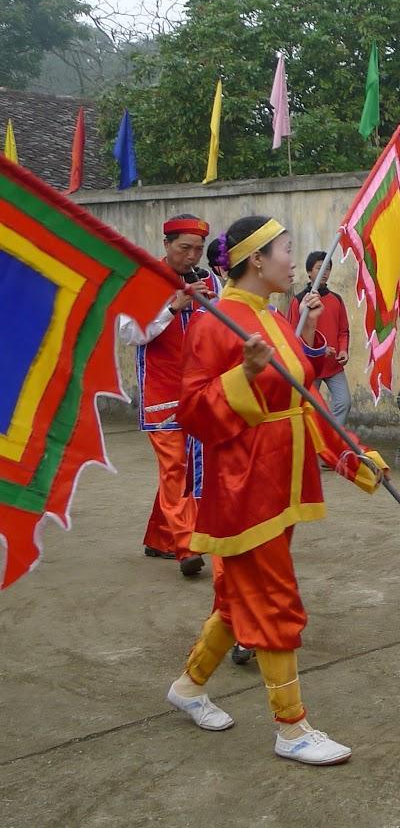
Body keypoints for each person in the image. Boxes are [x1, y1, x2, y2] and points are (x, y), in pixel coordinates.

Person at [165, 215, 389, 766]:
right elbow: (192, 413)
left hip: (281, 480)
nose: (294, 260)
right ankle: (291, 728)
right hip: (245, 487)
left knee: (237, 597)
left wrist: (348, 455)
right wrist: (240, 376)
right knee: (274, 599)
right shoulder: (216, 323)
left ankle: (189, 687)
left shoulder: (275, 320)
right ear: (256, 261)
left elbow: (304, 400)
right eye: (286, 250)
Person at [118, 213, 218, 578]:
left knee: (189, 472)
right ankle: (186, 547)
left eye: (198, 249)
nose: (192, 257)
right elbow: (130, 334)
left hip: (200, 392)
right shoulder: (144, 280)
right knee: (174, 468)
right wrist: (173, 307)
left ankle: (160, 537)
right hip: (162, 394)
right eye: (184, 248)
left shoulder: (209, 282)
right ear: (166, 245)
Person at [289, 251, 352, 431]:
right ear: (309, 272)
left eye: (328, 268)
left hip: (333, 366)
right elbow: (292, 334)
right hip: (310, 367)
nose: (324, 272)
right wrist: (317, 350)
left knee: (344, 403)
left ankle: (331, 439)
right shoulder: (299, 301)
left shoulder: (336, 300)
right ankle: (314, 444)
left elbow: (343, 331)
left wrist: (343, 350)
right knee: (308, 409)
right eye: (320, 268)